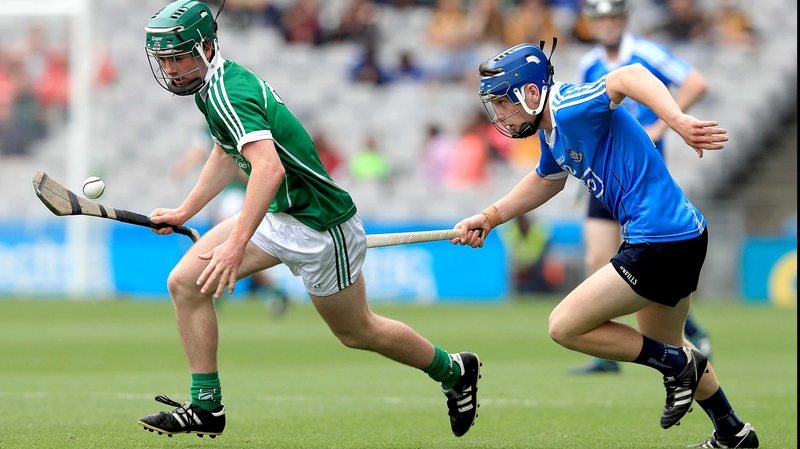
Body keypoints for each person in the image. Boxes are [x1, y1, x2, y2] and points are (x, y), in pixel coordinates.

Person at [138, 0, 480, 439]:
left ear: (206, 46)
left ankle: (454, 370)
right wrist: (187, 210)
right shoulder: (211, 87)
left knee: (357, 332)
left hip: (320, 226)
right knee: (185, 283)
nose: (170, 69)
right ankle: (207, 408)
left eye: (178, 56)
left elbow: (268, 169)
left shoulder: (228, 91)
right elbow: (227, 150)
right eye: (163, 60)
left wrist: (236, 243)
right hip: (278, 213)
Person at [451, 41, 759, 448]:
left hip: (659, 239)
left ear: (530, 92)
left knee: (565, 326)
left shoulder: (569, 106)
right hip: (679, 236)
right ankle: (733, 431)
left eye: (504, 103)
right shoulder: (552, 134)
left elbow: (629, 76)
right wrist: (489, 218)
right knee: (669, 345)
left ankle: (678, 366)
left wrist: (677, 120)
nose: (500, 115)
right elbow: (545, 180)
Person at [571, 0, 712, 375]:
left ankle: (688, 331)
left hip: (642, 179)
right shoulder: (588, 63)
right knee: (596, 260)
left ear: (624, 19)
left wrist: (664, 126)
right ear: (589, 23)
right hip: (605, 179)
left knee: (647, 261)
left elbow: (696, 82)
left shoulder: (647, 53)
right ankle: (606, 351)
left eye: (613, 17)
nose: (607, 25)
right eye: (599, 19)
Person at [172, 129, 291, 318]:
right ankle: (275, 292)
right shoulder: (211, 120)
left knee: (228, 248)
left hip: (239, 197)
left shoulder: (233, 115)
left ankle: (215, 297)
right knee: (234, 251)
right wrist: (186, 165)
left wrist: (240, 168)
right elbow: (202, 149)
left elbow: (258, 165)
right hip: (228, 196)